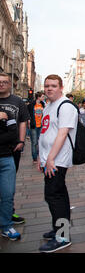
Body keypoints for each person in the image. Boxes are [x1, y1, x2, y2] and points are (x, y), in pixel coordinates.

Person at [36, 74, 78, 252]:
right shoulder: (48, 106)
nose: (49, 89)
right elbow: (45, 133)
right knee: (58, 194)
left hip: (58, 159)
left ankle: (63, 236)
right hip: (49, 158)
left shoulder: (65, 106)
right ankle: (59, 228)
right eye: (47, 86)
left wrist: (51, 158)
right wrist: (41, 156)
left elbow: (62, 134)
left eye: (53, 86)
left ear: (61, 88)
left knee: (54, 196)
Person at [0, 73, 30, 225]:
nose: (2, 84)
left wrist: (21, 140)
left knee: (8, 184)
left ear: (10, 84)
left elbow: (23, 122)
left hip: (12, 148)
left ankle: (8, 212)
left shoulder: (17, 101)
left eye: (5, 82)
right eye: (0, 82)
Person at [0, 110, 21, 241]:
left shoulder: (8, 114)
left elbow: (13, 135)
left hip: (6, 159)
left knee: (8, 194)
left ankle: (6, 226)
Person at [28, 92, 45, 164]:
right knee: (34, 142)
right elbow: (28, 115)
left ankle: (40, 156)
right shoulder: (31, 105)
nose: (43, 98)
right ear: (38, 97)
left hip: (41, 126)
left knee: (41, 141)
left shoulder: (43, 104)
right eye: (42, 96)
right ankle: (34, 158)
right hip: (34, 126)